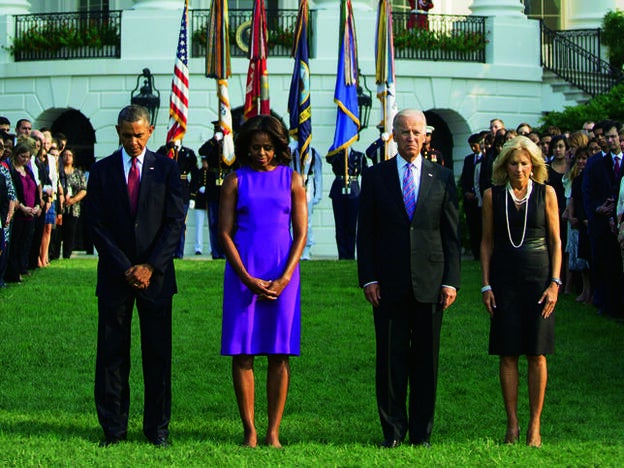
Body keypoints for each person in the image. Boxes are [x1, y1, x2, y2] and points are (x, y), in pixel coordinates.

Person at [357, 109, 461, 448]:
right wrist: (369, 278)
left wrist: (451, 281)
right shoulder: (375, 177)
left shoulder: (443, 177)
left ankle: (421, 433)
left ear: (426, 136)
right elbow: (366, 234)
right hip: (388, 284)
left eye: (417, 132)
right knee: (390, 360)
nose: (411, 138)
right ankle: (392, 432)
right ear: (394, 135)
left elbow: (451, 237)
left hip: (432, 284)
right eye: (405, 132)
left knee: (426, 362)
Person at [86, 105, 185, 447]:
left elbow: (174, 222)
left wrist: (149, 266)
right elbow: (95, 224)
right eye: (127, 135)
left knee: (157, 355)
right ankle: (113, 428)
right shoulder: (101, 172)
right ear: (118, 131)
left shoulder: (167, 170)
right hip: (116, 277)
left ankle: (157, 429)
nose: (133, 142)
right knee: (112, 354)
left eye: (139, 135)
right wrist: (125, 266)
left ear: (151, 131)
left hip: (156, 279)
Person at [218, 114, 307, 448]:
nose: (261, 154)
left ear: (278, 147)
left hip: (283, 273)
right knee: (242, 352)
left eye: (268, 148)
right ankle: (249, 430)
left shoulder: (292, 180)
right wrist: (245, 277)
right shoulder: (235, 181)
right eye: (255, 147)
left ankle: (273, 431)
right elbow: (224, 233)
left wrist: (284, 278)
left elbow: (300, 234)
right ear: (245, 147)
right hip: (243, 272)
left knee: (279, 352)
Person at [480, 136, 561, 447]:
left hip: (539, 281)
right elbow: (486, 243)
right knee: (508, 352)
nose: (518, 168)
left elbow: (556, 241)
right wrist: (486, 283)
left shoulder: (547, 193)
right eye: (513, 163)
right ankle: (512, 424)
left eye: (524, 163)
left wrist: (555, 283)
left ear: (533, 166)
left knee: (537, 353)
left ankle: (535, 426)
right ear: (504, 166)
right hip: (504, 281)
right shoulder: (492, 196)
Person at [582, 120, 623, 316]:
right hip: (602, 224)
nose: (611, 140)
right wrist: (599, 208)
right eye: (607, 137)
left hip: (620, 220)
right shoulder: (596, 162)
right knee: (605, 264)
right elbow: (587, 192)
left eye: (614, 136)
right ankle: (606, 303)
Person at [6, 141, 41, 283]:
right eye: (23, 156)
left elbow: (34, 189)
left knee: (26, 243)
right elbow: (13, 192)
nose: (25, 159)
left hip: (30, 213)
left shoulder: (28, 171)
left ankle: (22, 268)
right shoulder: (12, 171)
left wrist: (38, 205)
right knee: (16, 243)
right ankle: (13, 273)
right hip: (19, 213)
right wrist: (22, 207)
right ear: (16, 154)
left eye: (28, 157)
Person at [157, 139, 197, 259]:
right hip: (166, 191)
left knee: (180, 224)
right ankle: (166, 252)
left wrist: (192, 195)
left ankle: (179, 253)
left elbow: (195, 174)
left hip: (182, 192)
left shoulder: (188, 153)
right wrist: (167, 148)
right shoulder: (165, 151)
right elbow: (155, 158)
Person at [327, 146, 367, 259]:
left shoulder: (359, 155)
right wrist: (338, 148)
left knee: (352, 225)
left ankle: (350, 255)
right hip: (339, 189)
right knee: (340, 225)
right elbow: (329, 159)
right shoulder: (336, 153)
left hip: (353, 191)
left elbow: (365, 173)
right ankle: (342, 255)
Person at [198, 124, 230, 259]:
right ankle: (216, 252)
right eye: (217, 131)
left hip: (227, 187)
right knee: (214, 221)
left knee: (227, 222)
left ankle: (226, 251)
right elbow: (201, 151)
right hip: (213, 187)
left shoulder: (230, 146)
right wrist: (214, 140)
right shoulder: (212, 145)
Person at [291, 145, 322, 260]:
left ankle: (306, 250)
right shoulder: (292, 153)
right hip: (293, 185)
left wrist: (318, 193)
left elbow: (318, 174)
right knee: (291, 220)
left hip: (308, 186)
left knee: (306, 220)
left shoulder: (314, 153)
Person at [460, 132, 485, 259]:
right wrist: (466, 192)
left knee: (482, 227)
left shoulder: (485, 159)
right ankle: (475, 252)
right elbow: (464, 178)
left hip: (480, 198)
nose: (473, 149)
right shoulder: (468, 159)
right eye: (471, 146)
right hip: (470, 200)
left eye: (475, 145)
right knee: (472, 226)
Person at [59, 148, 87, 259]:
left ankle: (67, 254)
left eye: (70, 155)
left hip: (73, 207)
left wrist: (73, 200)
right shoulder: (59, 171)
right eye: (65, 155)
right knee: (58, 231)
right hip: (60, 206)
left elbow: (84, 189)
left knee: (70, 231)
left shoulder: (78, 173)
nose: (67, 157)